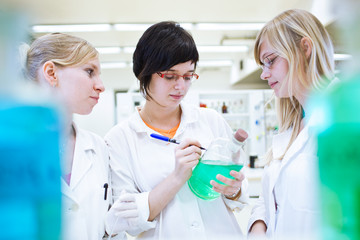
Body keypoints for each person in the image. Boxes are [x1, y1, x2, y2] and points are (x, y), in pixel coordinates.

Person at [105, 21, 249, 240]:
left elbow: (238, 191)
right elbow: (127, 222)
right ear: (143, 73)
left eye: (188, 76)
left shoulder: (210, 120)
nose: (181, 86)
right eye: (170, 76)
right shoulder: (119, 139)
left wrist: (234, 189)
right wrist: (176, 178)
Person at [23, 33, 123, 240]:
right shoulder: (11, 146)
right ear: (51, 73)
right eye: (90, 71)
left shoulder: (98, 147)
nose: (101, 85)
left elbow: (111, 228)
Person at [247, 9, 336, 239]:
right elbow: (271, 200)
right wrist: (258, 226)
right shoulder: (292, 127)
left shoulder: (343, 119)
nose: (264, 75)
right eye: (262, 65)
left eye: (271, 61)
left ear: (304, 49)